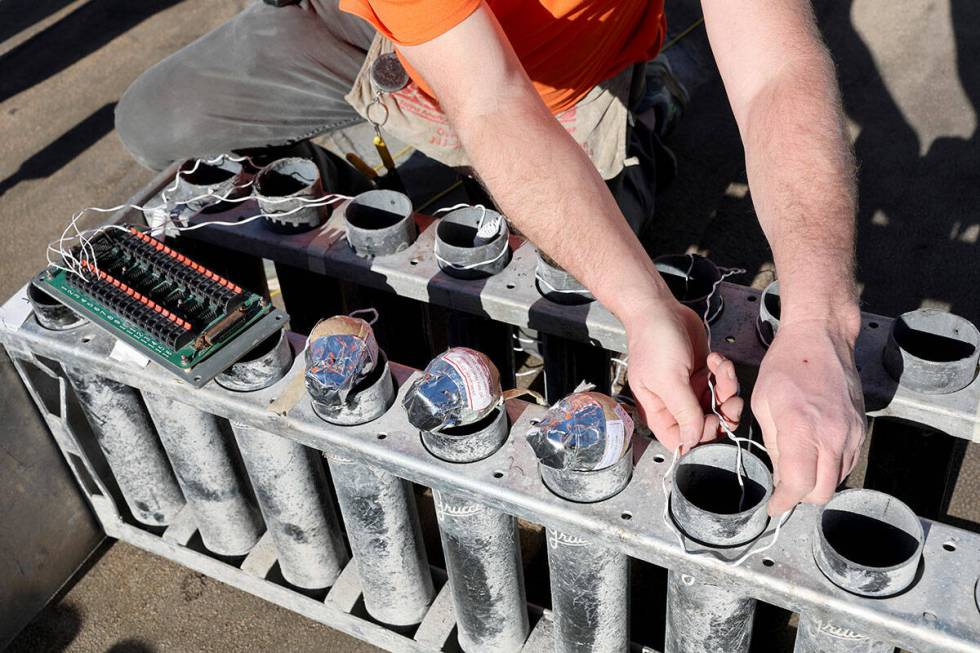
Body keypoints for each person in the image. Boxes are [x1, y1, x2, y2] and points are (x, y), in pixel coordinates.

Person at [115, 0, 866, 516]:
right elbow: (488, 100)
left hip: (559, 82)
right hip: (379, 43)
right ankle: (349, 162)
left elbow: (776, 68)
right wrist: (642, 306)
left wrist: (818, 319)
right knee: (160, 119)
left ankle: (645, 107)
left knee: (578, 265)